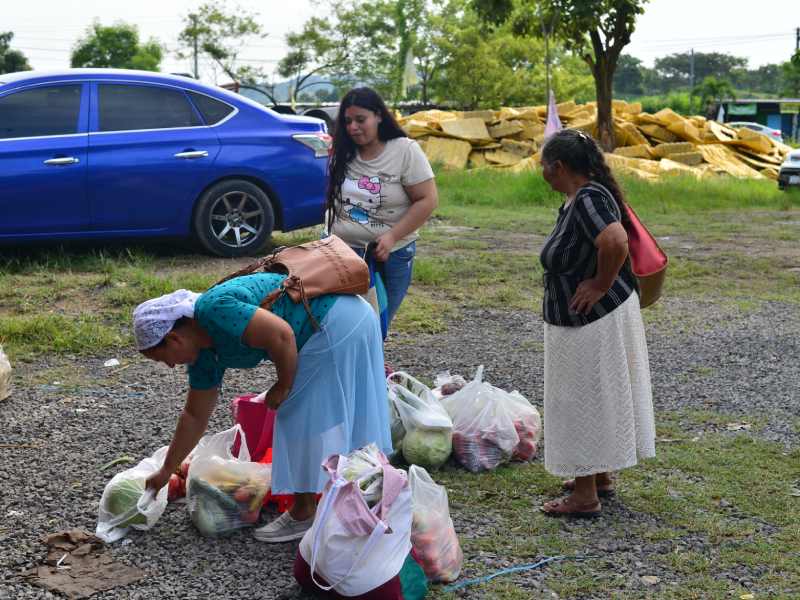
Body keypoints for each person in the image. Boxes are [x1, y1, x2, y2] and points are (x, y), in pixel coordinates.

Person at [134, 274, 392, 542]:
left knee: (297, 414)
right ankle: (369, 491)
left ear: (174, 339)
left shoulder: (213, 310)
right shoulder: (203, 357)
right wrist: (166, 471)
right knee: (344, 409)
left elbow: (282, 335)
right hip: (341, 319)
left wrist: (283, 385)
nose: (170, 366)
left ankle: (304, 513)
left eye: (162, 358)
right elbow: (194, 416)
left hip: (337, 320)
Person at [538, 128, 655, 517]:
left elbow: (615, 241)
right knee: (598, 394)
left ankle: (584, 496)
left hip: (590, 319)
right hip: (593, 318)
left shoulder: (588, 198)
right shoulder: (583, 197)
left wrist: (600, 284)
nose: (541, 172)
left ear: (558, 167)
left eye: (543, 165)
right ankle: (599, 476)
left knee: (577, 397)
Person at [326, 87, 438, 332]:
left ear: (378, 116)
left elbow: (427, 200)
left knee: (375, 326)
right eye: (347, 121)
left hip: (391, 255)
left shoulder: (405, 150)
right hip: (343, 254)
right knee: (343, 326)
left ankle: (371, 368)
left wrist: (391, 237)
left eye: (360, 119)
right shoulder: (343, 152)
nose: (353, 127)